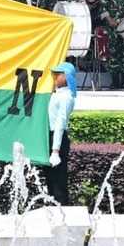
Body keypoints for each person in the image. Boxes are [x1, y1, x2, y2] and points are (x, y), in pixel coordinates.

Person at [46, 62, 76, 206]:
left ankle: (61, 208)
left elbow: (60, 123)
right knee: (50, 177)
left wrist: (55, 150)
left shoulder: (66, 97)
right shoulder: (57, 94)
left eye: (58, 74)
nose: (55, 77)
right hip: (51, 137)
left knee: (59, 179)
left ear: (65, 77)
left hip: (58, 138)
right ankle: (52, 206)